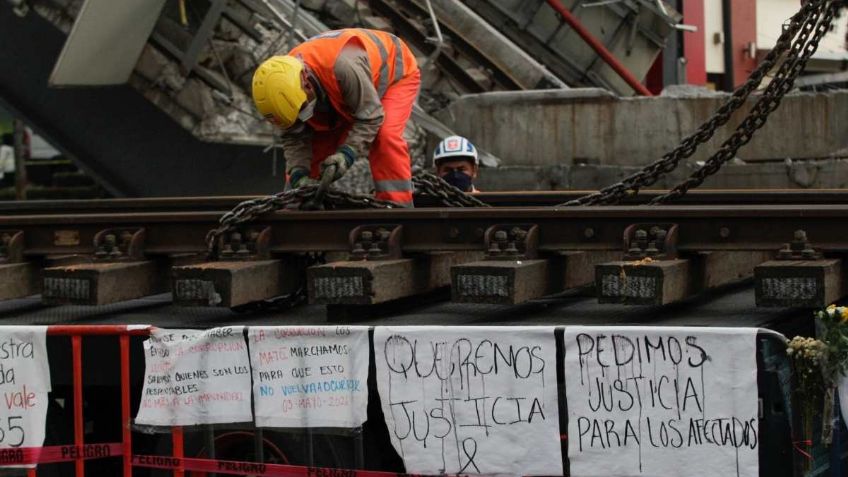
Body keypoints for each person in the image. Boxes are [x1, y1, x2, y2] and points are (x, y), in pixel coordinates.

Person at [251, 29, 420, 206]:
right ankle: (295, 207)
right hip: (340, 92)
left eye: (302, 109)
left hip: (393, 75)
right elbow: (295, 137)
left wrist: (347, 153)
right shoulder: (281, 90)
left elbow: (370, 117)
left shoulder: (344, 66)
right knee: (313, 153)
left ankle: (398, 206)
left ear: (307, 84)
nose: (302, 117)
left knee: (384, 136)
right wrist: (298, 173)